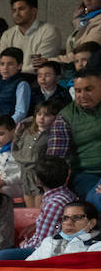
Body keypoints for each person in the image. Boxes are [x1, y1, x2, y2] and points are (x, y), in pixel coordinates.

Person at [0, 156, 75, 260]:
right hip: (46, 245)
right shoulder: (64, 194)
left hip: (46, 252)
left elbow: (44, 242)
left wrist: (23, 246)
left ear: (38, 181)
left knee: (0, 256)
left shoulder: (54, 203)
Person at [58, 69, 101, 200]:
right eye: (78, 91)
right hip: (86, 174)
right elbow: (56, 158)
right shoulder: (65, 117)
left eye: (88, 89)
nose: (83, 95)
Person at [0, 0, 62, 73]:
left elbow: (40, 65)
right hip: (12, 78)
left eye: (21, 9)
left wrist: (12, 72)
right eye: (14, 10)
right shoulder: (7, 34)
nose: (17, 14)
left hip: (38, 79)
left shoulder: (49, 31)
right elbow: (2, 63)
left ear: (34, 11)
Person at [25, 200, 101, 259]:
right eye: (65, 218)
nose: (68, 223)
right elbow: (29, 265)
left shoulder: (96, 246)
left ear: (91, 223)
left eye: (76, 217)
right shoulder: (50, 241)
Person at [0, 48, 32, 124]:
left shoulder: (22, 85)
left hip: (10, 126)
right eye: (2, 64)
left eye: (10, 64)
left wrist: (5, 126)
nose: (5, 68)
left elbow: (21, 113)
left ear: (19, 66)